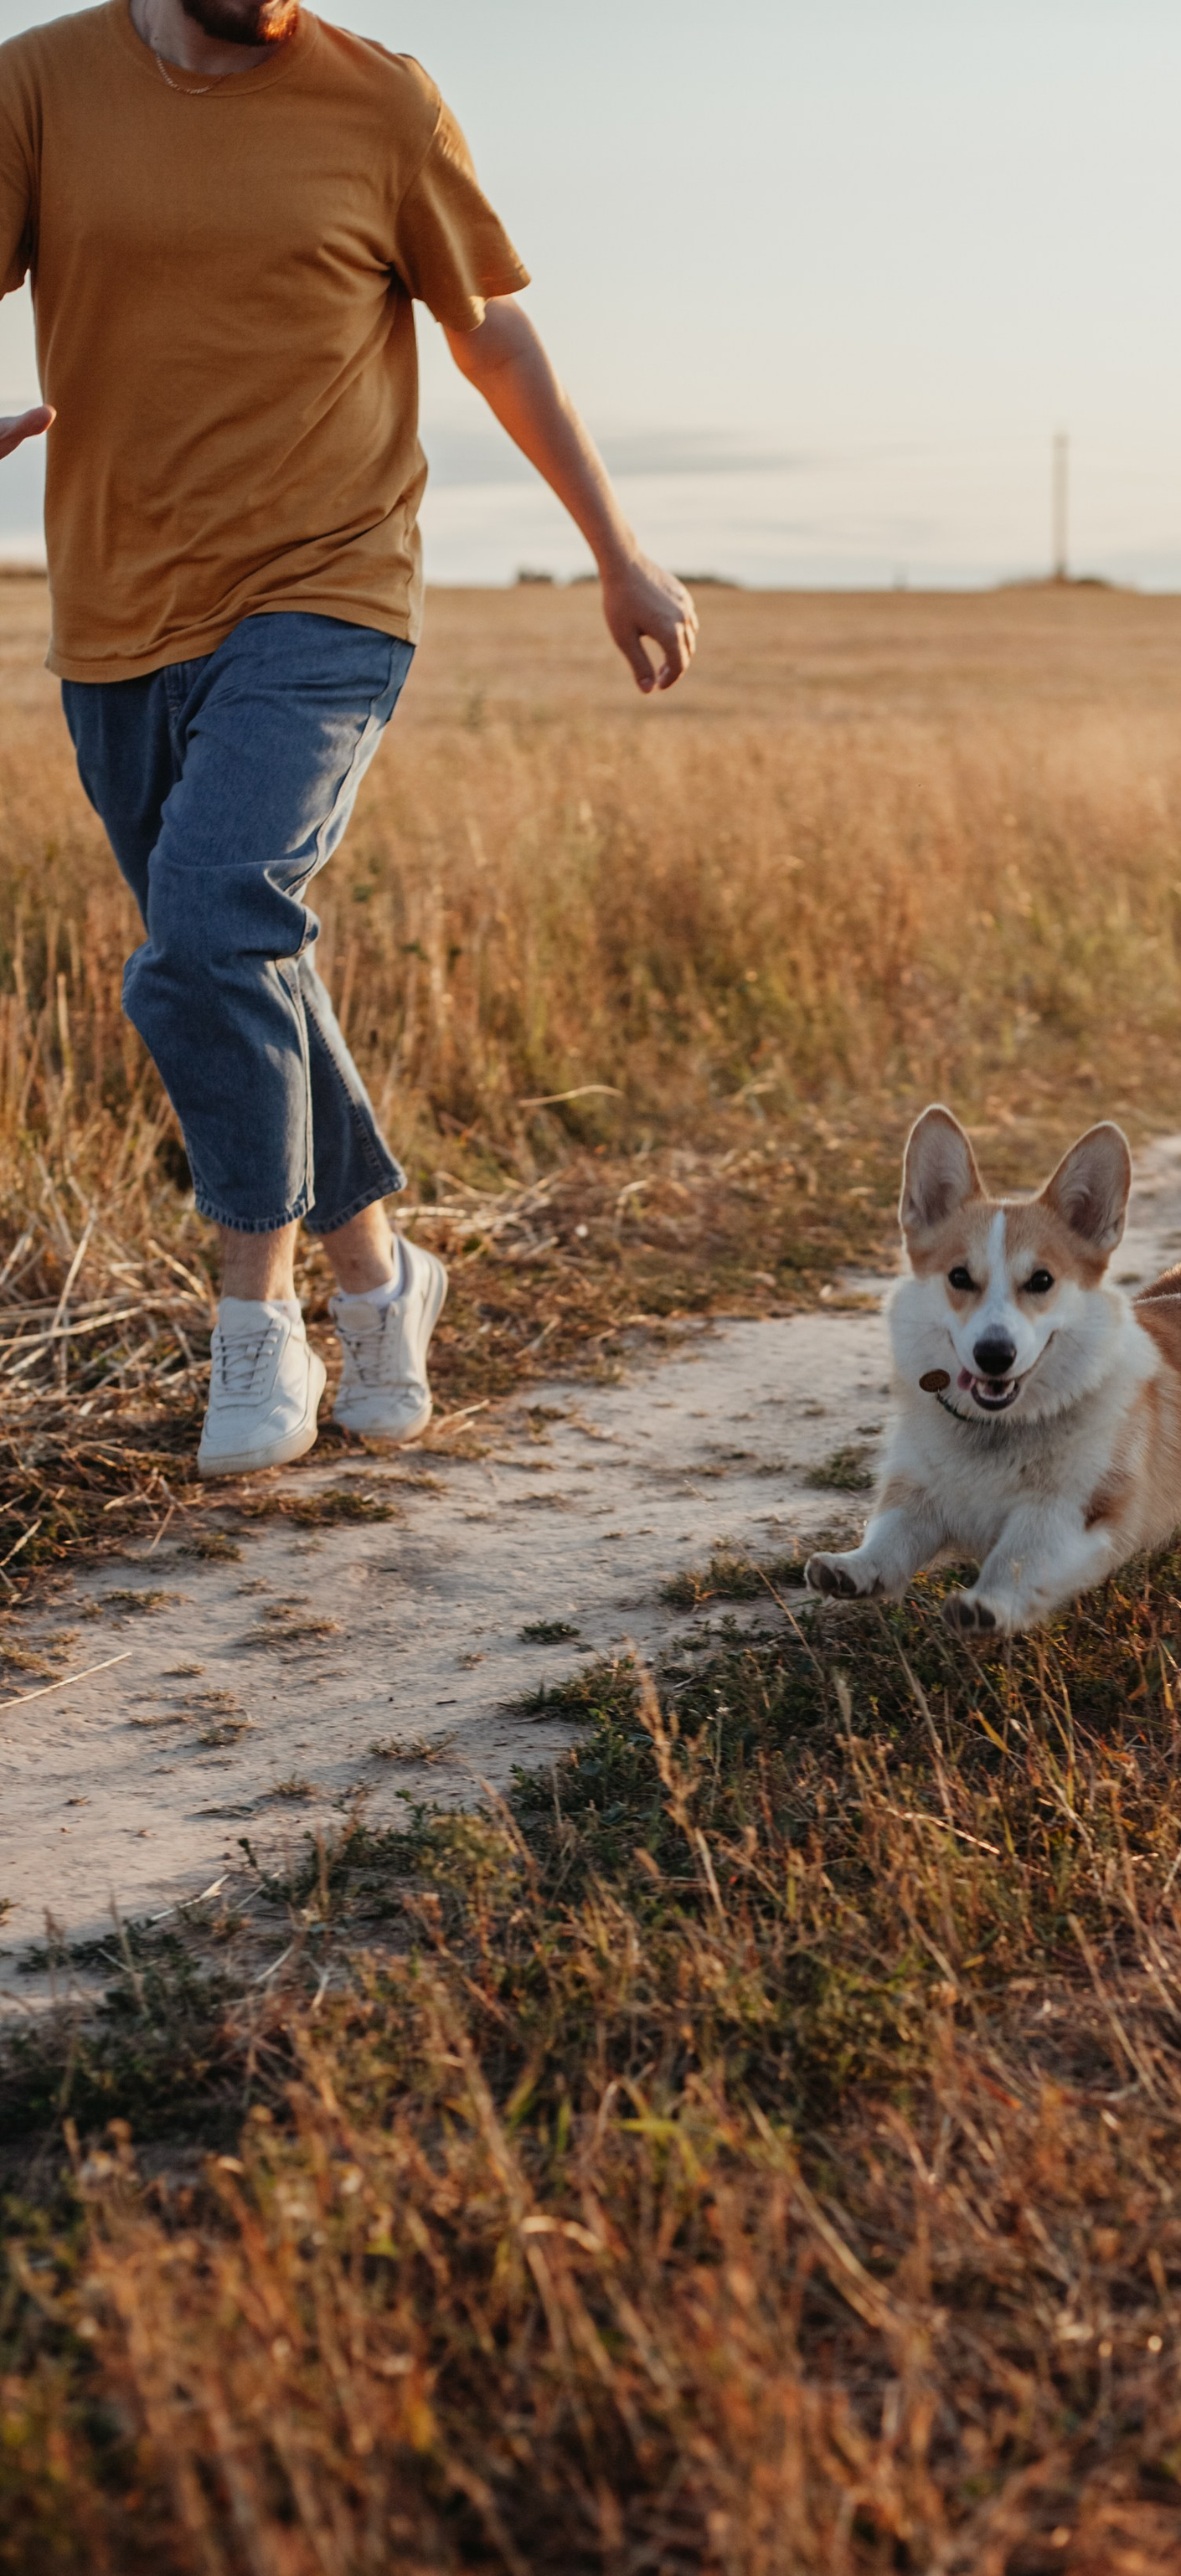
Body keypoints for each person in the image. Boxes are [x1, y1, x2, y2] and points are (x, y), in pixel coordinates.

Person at [0, 0, 697, 1475]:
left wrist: (616, 553)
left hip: (330, 591)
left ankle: (259, 1335)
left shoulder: (382, 101)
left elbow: (489, 327)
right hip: (119, 609)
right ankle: (383, 1275)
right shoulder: (40, 87)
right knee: (241, 952)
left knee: (207, 923)